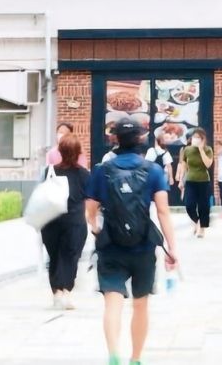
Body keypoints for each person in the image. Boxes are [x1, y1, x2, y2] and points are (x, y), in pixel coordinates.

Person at [86, 120, 178, 365]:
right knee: (140, 304)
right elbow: (163, 211)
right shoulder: (153, 170)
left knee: (112, 302)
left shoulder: (102, 170)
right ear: (140, 139)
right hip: (143, 246)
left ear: (115, 139)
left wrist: (95, 228)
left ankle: (113, 354)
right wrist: (172, 248)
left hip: (111, 245)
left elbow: (90, 208)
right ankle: (135, 358)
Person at [41, 134, 92, 310]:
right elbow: (91, 199)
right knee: (71, 257)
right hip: (74, 222)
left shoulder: (49, 171)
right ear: (78, 152)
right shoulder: (84, 174)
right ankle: (66, 292)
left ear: (60, 151)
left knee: (54, 256)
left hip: (50, 221)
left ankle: (56, 292)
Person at [176, 127, 214, 237]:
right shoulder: (187, 150)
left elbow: (208, 164)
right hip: (190, 180)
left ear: (203, 139)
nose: (195, 139)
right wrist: (181, 180)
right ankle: (197, 221)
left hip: (203, 181)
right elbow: (184, 165)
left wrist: (201, 150)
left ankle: (202, 229)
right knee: (189, 205)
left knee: (203, 206)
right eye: (194, 137)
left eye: (198, 137)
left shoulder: (208, 149)